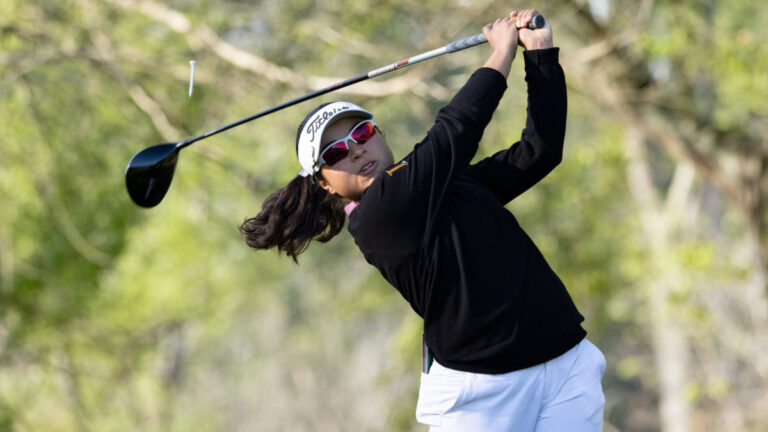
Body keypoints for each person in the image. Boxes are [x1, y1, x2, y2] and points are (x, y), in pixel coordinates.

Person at [240, 9, 606, 431]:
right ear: (325, 185)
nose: (356, 150)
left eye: (361, 134)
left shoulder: (452, 187)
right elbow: (455, 131)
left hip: (564, 365)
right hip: (483, 396)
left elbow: (538, 153)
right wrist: (501, 54)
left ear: (380, 135)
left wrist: (541, 58)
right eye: (335, 152)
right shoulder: (378, 217)